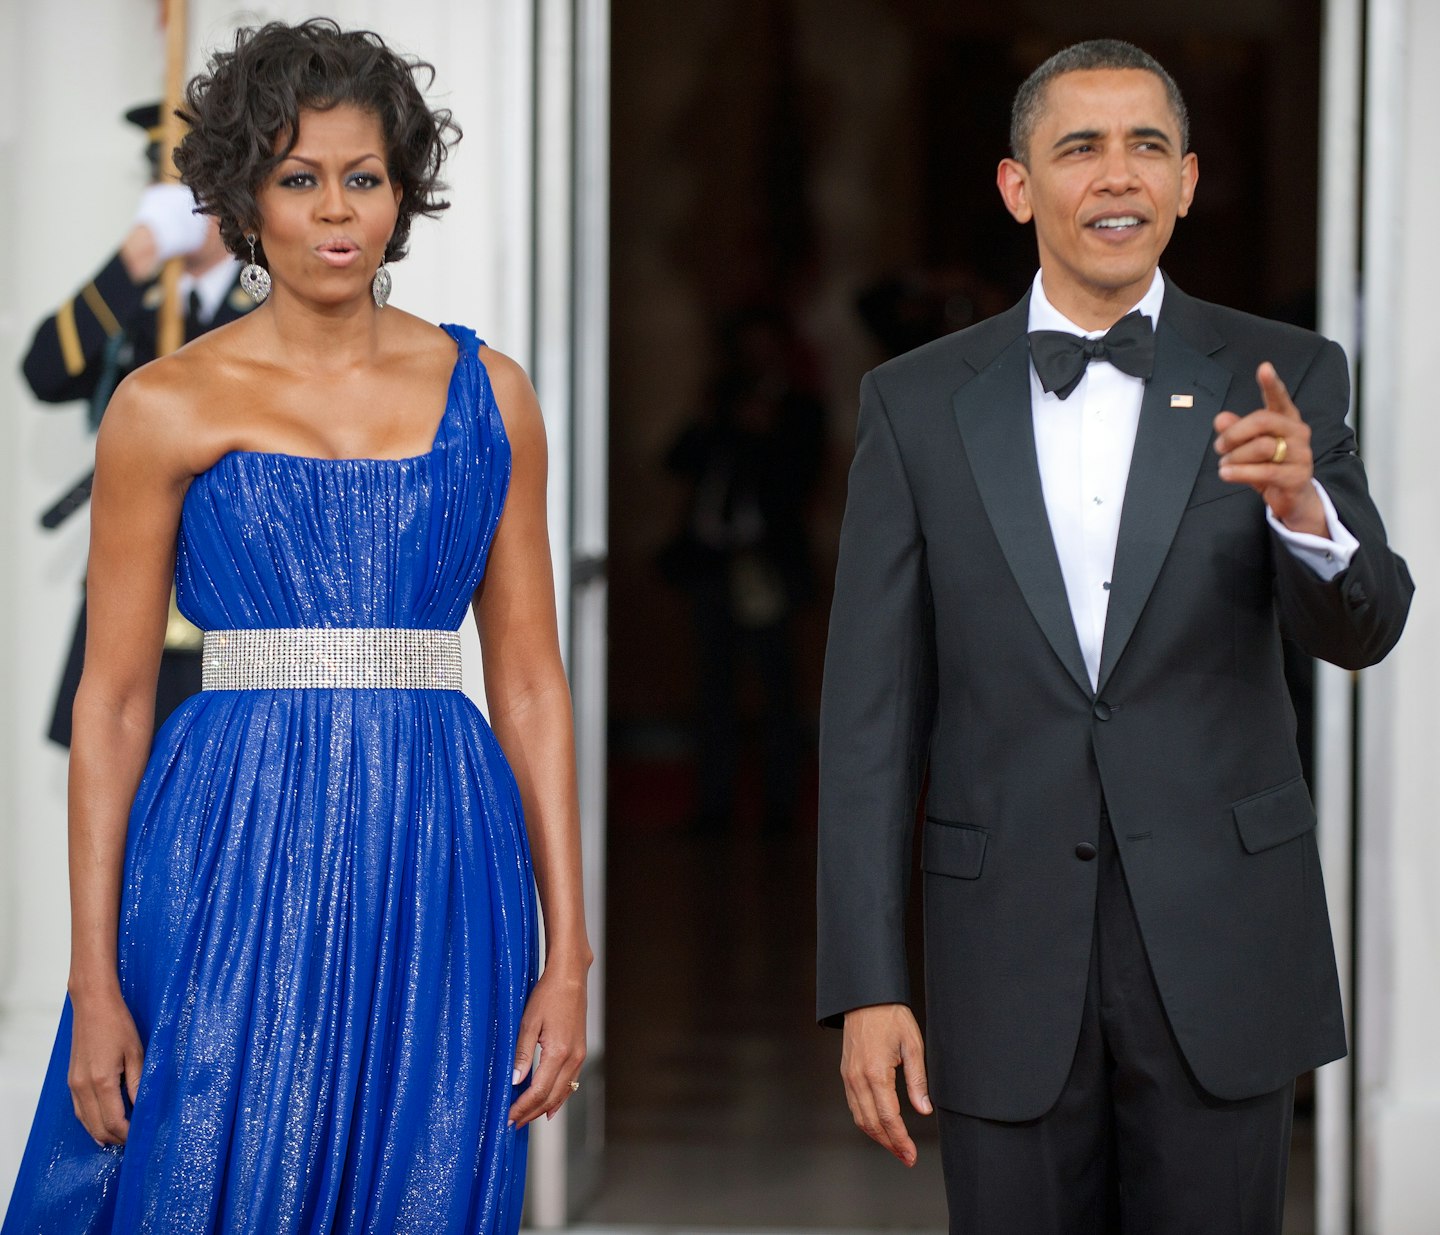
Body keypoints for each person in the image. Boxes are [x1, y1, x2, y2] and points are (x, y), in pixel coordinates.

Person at [816, 39, 1412, 1234]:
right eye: (1079, 147)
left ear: (1188, 181)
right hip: (1000, 954)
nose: (1118, 175)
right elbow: (870, 717)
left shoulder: (1285, 374)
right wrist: (868, 985)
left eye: (1147, 145)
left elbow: (1367, 626)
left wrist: (1306, 511)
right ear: (1017, 186)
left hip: (1223, 939)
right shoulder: (916, 401)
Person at [3, 18, 588, 1234]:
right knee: (206, 1172)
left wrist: (570, 954)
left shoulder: (493, 394)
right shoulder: (162, 406)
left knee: (421, 1180)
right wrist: (94, 974)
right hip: (226, 840)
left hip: (440, 843)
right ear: (243, 197)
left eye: (363, 177)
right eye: (298, 178)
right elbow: (110, 705)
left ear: (402, 192)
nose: (336, 213)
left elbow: (530, 685)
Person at [23, 105, 257, 746]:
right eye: (165, 185)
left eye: (193, 185)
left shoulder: (272, 303)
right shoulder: (133, 303)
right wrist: (133, 260)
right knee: (117, 789)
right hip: (136, 588)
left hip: (231, 595)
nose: (177, 200)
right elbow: (43, 372)